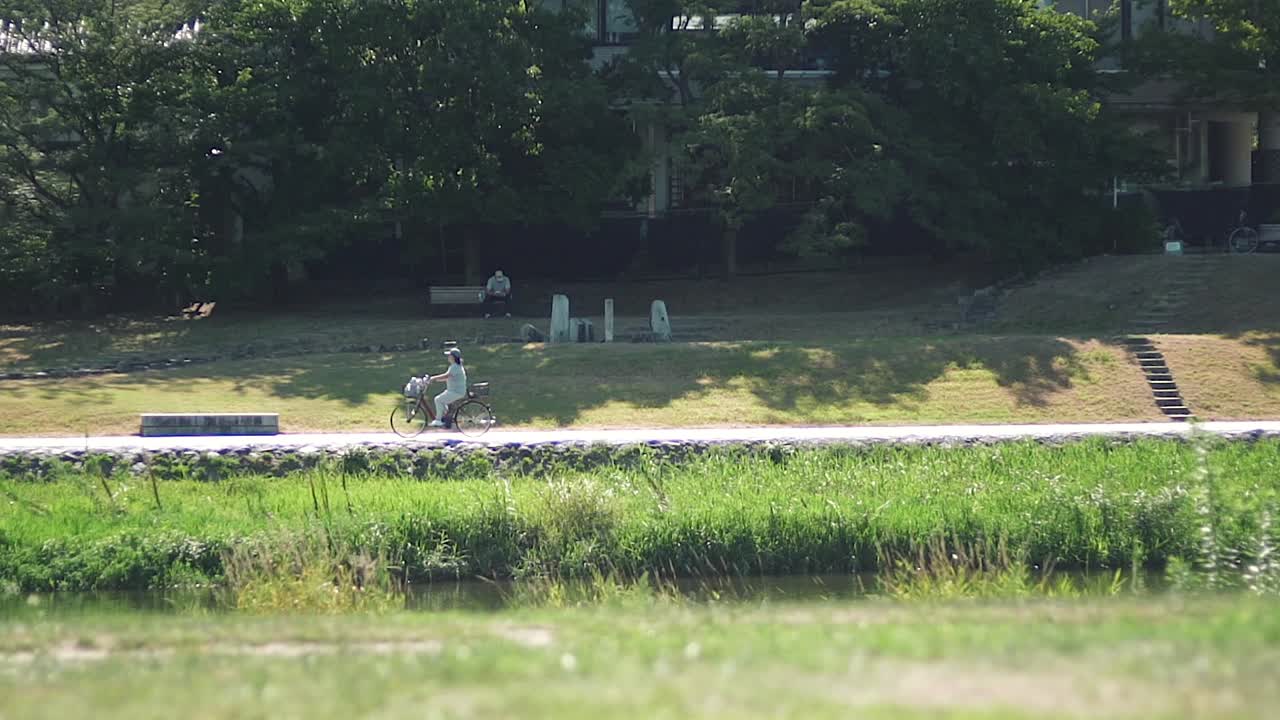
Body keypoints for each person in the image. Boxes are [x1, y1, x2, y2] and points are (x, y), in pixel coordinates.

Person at [427, 347, 467, 427]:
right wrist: (436, 380)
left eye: (449, 356)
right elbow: (448, 377)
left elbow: (447, 375)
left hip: (456, 392)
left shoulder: (455, 367)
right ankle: (446, 418)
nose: (448, 357)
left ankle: (438, 420)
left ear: (453, 357)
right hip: (453, 390)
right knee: (441, 400)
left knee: (438, 400)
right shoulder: (455, 366)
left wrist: (434, 377)